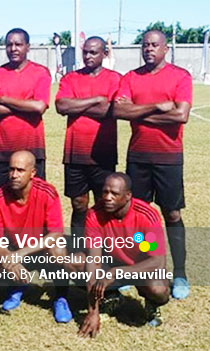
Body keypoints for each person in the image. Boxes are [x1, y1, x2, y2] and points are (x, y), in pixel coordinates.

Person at [112, 29, 192, 300]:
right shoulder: (131, 77)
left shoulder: (180, 76)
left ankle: (179, 272)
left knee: (172, 215)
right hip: (138, 157)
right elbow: (119, 111)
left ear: (165, 48)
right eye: (145, 45)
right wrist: (159, 107)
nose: (149, 49)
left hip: (169, 158)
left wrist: (139, 112)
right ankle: (137, 267)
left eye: (154, 45)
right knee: (137, 218)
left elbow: (181, 116)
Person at [0, 151, 75, 323]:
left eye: (20, 170)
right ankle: (17, 285)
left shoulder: (47, 192)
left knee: (59, 249)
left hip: (42, 250)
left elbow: (56, 233)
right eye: (11, 170)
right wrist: (9, 258)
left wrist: (20, 254)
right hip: (15, 250)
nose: (14, 175)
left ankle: (61, 298)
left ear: (32, 173)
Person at [78, 173, 169, 337]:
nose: (107, 197)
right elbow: (93, 261)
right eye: (105, 192)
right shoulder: (94, 214)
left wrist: (116, 273)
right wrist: (93, 311)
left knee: (159, 289)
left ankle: (151, 304)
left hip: (139, 268)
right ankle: (110, 296)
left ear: (128, 196)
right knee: (77, 263)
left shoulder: (146, 216)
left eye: (114, 193)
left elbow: (157, 261)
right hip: (111, 263)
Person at [54, 36, 121, 239]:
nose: (88, 56)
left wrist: (78, 106)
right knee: (78, 203)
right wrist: (96, 100)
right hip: (75, 154)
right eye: (85, 52)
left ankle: (104, 249)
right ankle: (78, 248)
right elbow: (61, 106)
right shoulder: (70, 78)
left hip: (103, 152)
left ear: (104, 54)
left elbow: (110, 110)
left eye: (93, 52)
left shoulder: (115, 78)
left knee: (104, 203)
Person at [0, 28, 51, 192]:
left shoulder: (40, 73)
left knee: (35, 198)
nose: (13, 49)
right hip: (1, 149)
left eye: (18, 44)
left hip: (33, 149)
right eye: (9, 45)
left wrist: (5, 100)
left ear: (28, 46)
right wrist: (26, 105)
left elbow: (39, 107)